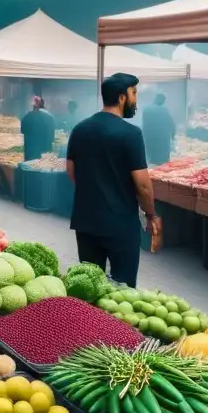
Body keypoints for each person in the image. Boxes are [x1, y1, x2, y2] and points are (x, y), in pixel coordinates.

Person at [66, 73, 160, 287]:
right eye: (134, 93)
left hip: (86, 222)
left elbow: (71, 171)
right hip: (121, 224)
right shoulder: (131, 134)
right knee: (123, 289)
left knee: (90, 286)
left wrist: (93, 189)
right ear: (121, 98)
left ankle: (90, 321)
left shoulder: (80, 129)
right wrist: (151, 214)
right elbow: (143, 184)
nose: (136, 99)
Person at [142, 92, 175, 165]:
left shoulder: (146, 109)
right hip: (162, 138)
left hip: (150, 137)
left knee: (152, 156)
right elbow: (171, 123)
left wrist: (144, 136)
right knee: (163, 159)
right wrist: (173, 134)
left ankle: (152, 163)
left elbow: (144, 124)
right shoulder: (164, 110)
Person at [20, 96, 57, 161]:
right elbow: (53, 135)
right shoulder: (50, 117)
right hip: (46, 151)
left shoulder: (27, 117)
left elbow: (23, 131)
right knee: (45, 167)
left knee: (30, 168)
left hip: (30, 152)